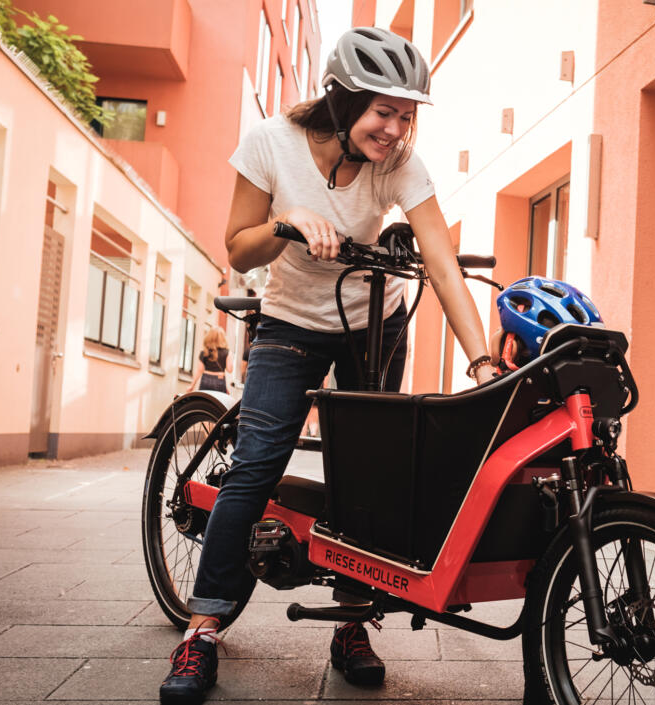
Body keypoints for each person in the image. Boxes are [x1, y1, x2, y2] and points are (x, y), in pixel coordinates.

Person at [159, 27, 496, 705]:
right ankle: (202, 628)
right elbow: (239, 247)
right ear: (341, 101)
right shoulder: (270, 142)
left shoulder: (400, 162)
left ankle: (351, 627)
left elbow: (441, 260)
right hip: (290, 320)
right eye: (384, 113)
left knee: (371, 477)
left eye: (408, 116)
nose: (397, 130)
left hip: (374, 319)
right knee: (257, 461)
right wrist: (288, 221)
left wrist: (482, 359)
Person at [185, 327, 232, 393]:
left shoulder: (204, 352)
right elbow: (229, 370)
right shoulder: (227, 352)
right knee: (217, 402)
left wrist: (192, 385)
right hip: (220, 380)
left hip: (206, 379)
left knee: (204, 401)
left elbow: (199, 370)